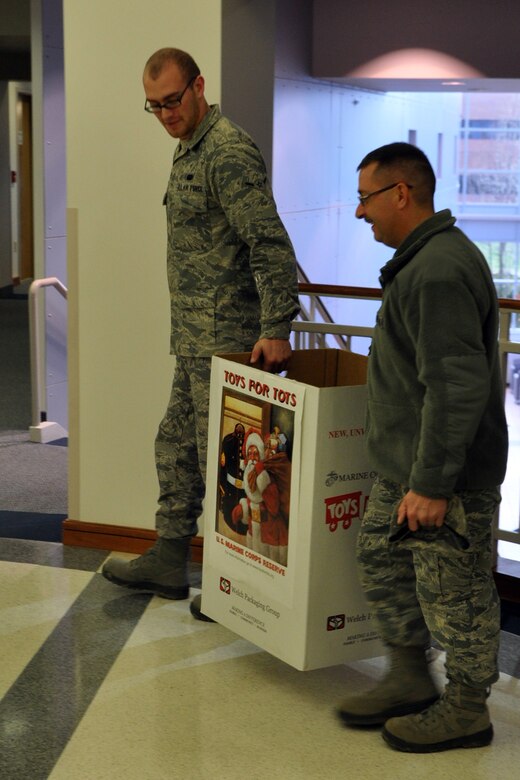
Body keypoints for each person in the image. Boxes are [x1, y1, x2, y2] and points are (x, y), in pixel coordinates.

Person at [102, 48, 299, 620]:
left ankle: (233, 585)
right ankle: (169, 557)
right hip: (193, 339)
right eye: (154, 106)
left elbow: (269, 243)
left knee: (231, 465)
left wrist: (276, 327)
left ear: (198, 87)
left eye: (172, 101)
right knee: (177, 448)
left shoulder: (227, 152)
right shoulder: (189, 150)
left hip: (229, 342)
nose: (165, 114)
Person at [337, 142, 509, 753]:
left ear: (401, 194)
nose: (362, 213)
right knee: (382, 559)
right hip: (406, 466)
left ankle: (466, 710)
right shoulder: (421, 260)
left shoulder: (437, 271)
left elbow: (456, 386)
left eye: (366, 198)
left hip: (443, 475)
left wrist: (433, 485)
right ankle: (410, 678)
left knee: (454, 591)